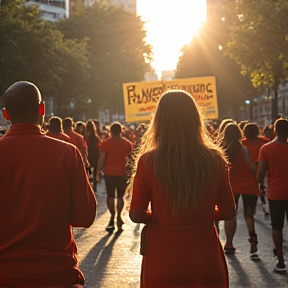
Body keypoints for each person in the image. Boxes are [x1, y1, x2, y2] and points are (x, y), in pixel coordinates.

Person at [129, 90, 236, 288]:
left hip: (163, 256)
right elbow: (229, 210)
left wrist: (160, 216)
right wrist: (202, 214)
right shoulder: (214, 160)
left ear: (159, 121)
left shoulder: (148, 161)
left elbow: (136, 214)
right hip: (205, 256)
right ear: (196, 120)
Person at [0, 81, 97, 287]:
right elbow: (86, 216)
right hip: (57, 276)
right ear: (42, 109)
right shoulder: (67, 153)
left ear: (6, 113)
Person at [221, 123, 259, 258]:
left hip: (231, 185)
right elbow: (252, 168)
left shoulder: (222, 150)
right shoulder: (244, 149)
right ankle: (253, 240)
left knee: (231, 214)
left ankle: (229, 243)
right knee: (249, 215)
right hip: (248, 185)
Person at [258, 118, 288, 274]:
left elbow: (261, 172)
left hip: (276, 194)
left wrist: (261, 188)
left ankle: (281, 262)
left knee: (277, 227)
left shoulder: (266, 149)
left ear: (275, 130)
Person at [96, 122, 133, 232]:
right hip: (122, 173)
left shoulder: (105, 144)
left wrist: (98, 173)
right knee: (120, 197)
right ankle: (119, 217)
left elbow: (102, 159)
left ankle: (112, 217)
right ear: (121, 131)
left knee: (110, 196)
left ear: (110, 131)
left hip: (109, 173)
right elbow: (131, 159)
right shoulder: (127, 144)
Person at [242, 123, 270, 217]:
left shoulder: (242, 143)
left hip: (248, 173)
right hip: (264, 171)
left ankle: (251, 214)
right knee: (264, 190)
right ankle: (265, 206)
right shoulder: (265, 142)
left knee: (251, 196)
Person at [84, 119, 101, 192]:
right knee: (94, 171)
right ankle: (94, 186)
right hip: (95, 156)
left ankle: (88, 186)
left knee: (87, 172)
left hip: (87, 156)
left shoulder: (85, 137)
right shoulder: (96, 138)